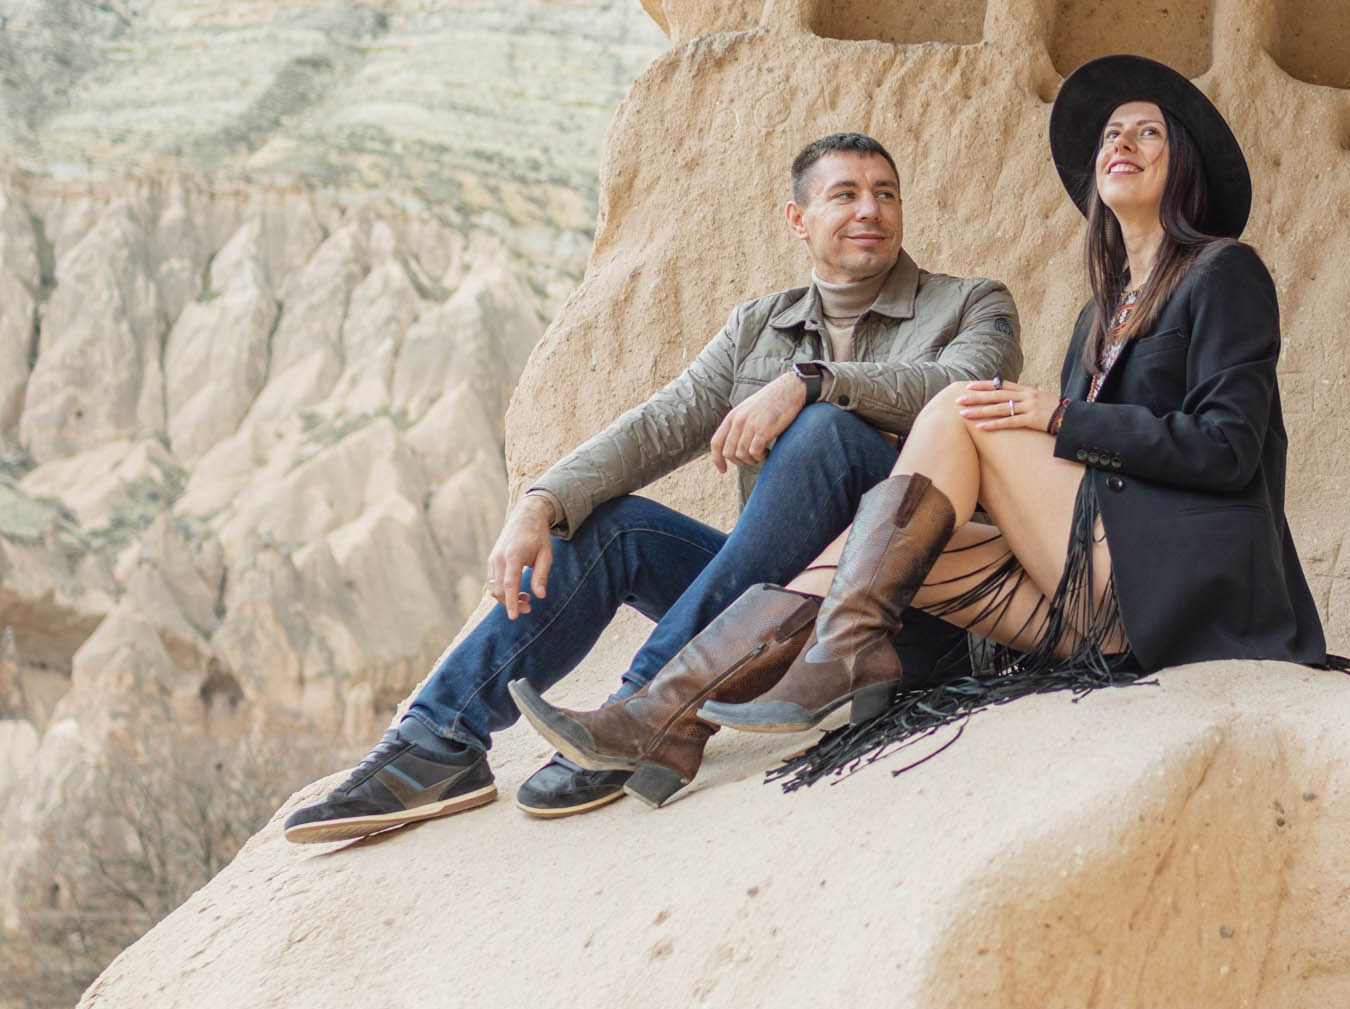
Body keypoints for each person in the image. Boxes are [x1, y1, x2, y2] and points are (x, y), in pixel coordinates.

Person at [513, 54, 1338, 798]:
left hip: (1189, 587)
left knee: (958, 404)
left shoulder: (1223, 272)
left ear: (1182, 160)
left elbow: (1229, 451)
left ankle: (778, 674)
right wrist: (547, 498)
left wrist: (1059, 416)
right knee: (867, 545)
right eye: (1111, 133)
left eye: (1148, 132)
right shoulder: (1099, 312)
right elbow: (665, 419)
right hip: (1092, 600)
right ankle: (670, 714)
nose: (1122, 141)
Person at [281, 133, 1020, 843]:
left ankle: (641, 712)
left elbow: (959, 387)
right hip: (774, 614)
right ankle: (436, 741)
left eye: (885, 194)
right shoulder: (759, 326)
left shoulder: (970, 304)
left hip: (906, 620)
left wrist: (811, 385)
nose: (869, 210)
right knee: (615, 527)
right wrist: (542, 500)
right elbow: (658, 426)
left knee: (825, 432)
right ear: (798, 220)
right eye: (846, 194)